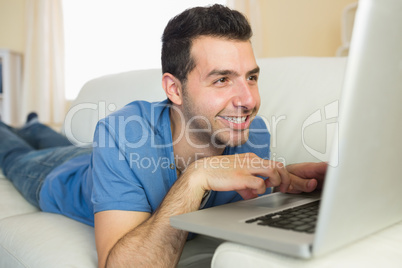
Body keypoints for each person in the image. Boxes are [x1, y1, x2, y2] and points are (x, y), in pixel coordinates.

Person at [0, 4, 327, 268]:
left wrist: (284, 180)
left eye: (251, 77)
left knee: (46, 135)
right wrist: (195, 177)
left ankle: (35, 125)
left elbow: (238, 199)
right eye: (222, 80)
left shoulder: (251, 133)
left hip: (101, 161)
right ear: (174, 89)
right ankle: (19, 127)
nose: (249, 101)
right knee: (13, 152)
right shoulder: (119, 134)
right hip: (61, 175)